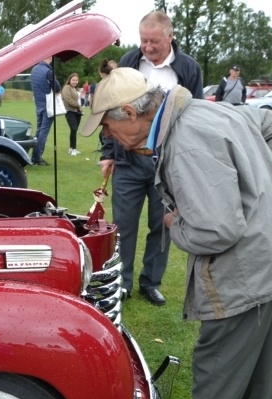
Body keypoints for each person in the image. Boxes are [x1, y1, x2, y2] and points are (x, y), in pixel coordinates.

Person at [81, 67, 272, 399]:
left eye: (107, 125)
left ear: (128, 112)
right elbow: (269, 125)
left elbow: (216, 230)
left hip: (246, 267)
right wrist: (266, 183)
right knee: (263, 362)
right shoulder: (205, 111)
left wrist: (176, 225)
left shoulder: (185, 143)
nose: (110, 136)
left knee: (218, 366)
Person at [97, 11, 203, 306]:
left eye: (154, 40)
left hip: (167, 162)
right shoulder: (130, 61)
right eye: (144, 40)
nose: (148, 46)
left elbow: (194, 115)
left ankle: (151, 282)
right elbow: (110, 110)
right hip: (128, 159)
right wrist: (109, 153)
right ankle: (122, 282)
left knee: (162, 224)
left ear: (170, 36)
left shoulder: (189, 68)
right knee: (123, 224)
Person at [30, 57, 61, 166]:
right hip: (48, 104)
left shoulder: (34, 69)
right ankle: (38, 157)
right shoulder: (48, 71)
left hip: (38, 104)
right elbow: (57, 87)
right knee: (44, 132)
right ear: (49, 58)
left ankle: (34, 156)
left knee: (39, 130)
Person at [61, 73, 84, 156]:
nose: (75, 81)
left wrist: (80, 107)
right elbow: (68, 99)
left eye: (76, 80)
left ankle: (72, 148)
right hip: (69, 111)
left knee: (74, 130)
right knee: (73, 128)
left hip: (77, 112)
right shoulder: (67, 87)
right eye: (73, 80)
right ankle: (73, 149)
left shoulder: (75, 89)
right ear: (69, 80)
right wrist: (78, 106)